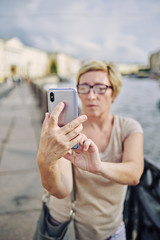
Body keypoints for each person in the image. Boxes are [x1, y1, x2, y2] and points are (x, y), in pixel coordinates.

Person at [36, 60, 144, 240]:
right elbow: (61, 189)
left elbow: (134, 174)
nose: (91, 96)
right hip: (66, 229)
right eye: (84, 87)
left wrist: (99, 167)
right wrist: (45, 161)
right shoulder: (67, 130)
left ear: (114, 93)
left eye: (100, 88)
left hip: (110, 231)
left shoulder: (128, 128)